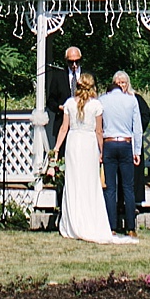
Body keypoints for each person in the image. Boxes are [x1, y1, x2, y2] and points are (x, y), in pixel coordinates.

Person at [53, 73, 120, 241]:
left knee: (74, 182)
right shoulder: (96, 105)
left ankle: (73, 223)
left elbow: (63, 129)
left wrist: (56, 148)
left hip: (74, 143)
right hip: (89, 144)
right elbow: (99, 131)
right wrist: (102, 151)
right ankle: (89, 221)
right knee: (89, 183)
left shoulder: (69, 103)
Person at [98, 72, 142, 235]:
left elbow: (99, 127)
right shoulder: (132, 100)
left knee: (110, 188)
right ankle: (130, 227)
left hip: (109, 143)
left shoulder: (102, 100)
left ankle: (112, 227)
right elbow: (137, 128)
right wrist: (136, 151)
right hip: (125, 143)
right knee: (128, 187)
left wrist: (99, 150)